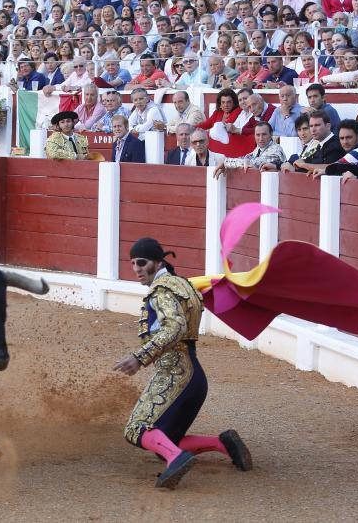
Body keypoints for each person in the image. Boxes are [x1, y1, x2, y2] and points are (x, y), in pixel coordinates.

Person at [114, 237, 252, 490]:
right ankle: (223, 444)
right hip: (195, 377)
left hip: (174, 373)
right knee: (165, 439)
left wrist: (140, 357)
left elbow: (175, 326)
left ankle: (176, 459)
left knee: (136, 428)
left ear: (157, 262)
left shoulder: (162, 290)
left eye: (142, 262)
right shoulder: (184, 285)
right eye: (133, 263)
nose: (136, 268)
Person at [214, 122, 285, 175]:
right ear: (254, 136)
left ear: (271, 134)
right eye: (258, 135)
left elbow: (255, 163)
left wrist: (226, 162)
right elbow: (246, 158)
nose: (261, 138)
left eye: (264, 134)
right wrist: (228, 165)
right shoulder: (259, 149)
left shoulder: (276, 150)